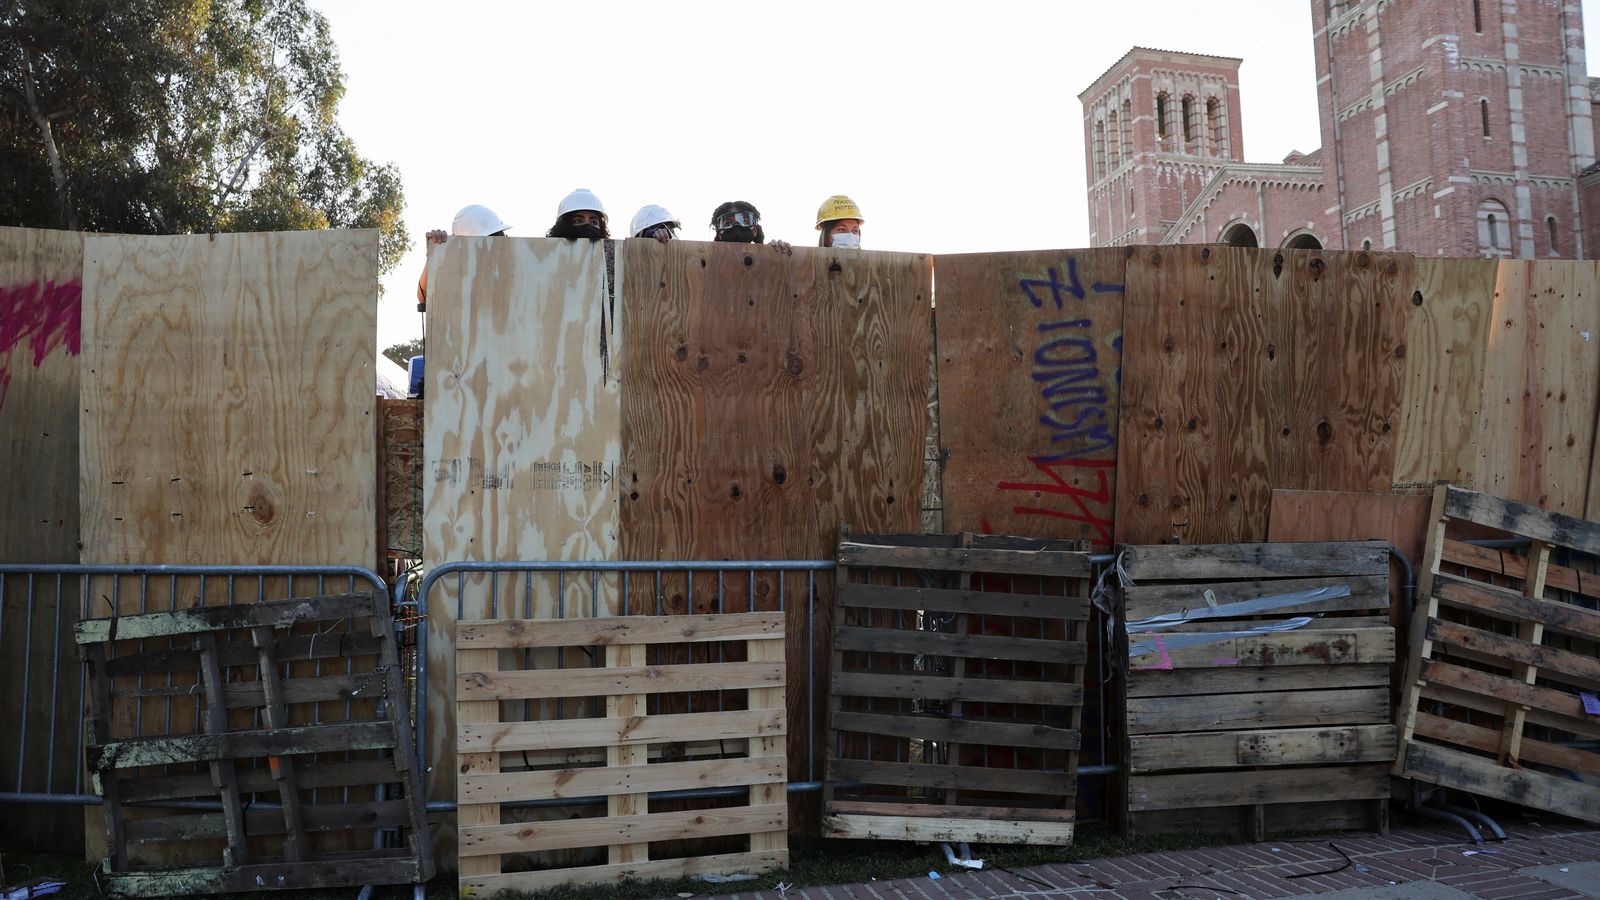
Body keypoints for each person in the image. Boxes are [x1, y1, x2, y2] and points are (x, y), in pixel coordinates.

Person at [416, 203, 510, 311]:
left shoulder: (518, 270)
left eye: (499, 236)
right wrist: (435, 256)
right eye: (490, 238)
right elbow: (423, 297)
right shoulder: (459, 280)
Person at [709, 201, 790, 252]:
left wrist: (774, 253)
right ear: (719, 233)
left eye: (744, 221)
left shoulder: (765, 262)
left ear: (754, 230)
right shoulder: (707, 264)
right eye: (728, 224)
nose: (736, 227)